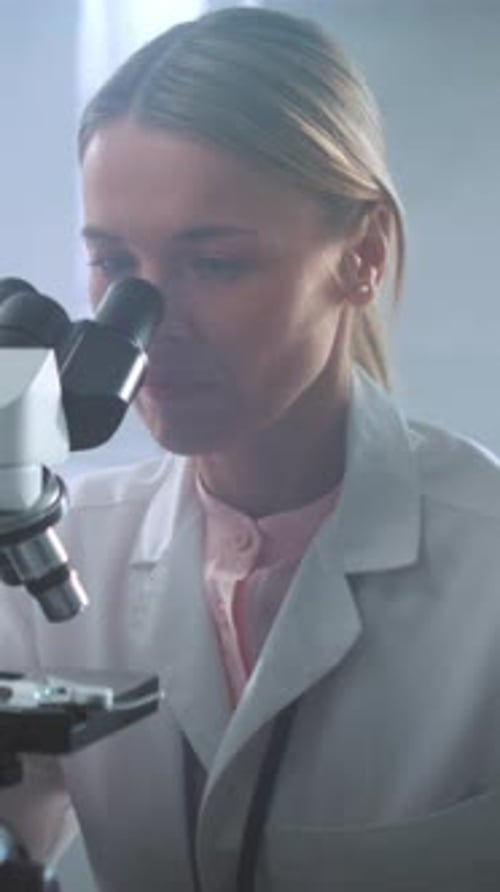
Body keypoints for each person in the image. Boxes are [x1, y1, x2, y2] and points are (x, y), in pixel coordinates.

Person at [1, 6, 500, 891]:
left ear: (363, 255)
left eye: (217, 263)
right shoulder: (67, 549)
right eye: (115, 268)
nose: (149, 330)